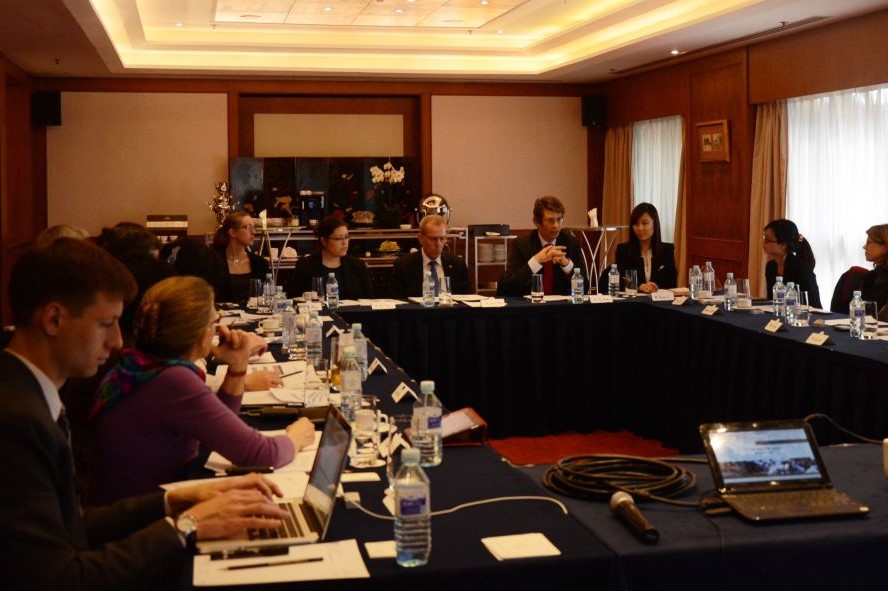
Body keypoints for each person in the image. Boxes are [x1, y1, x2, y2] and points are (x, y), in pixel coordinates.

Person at [0, 237, 290, 589]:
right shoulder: (17, 422)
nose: (118, 342)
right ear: (55, 319)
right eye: (106, 323)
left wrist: (176, 500)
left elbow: (72, 523)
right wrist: (188, 524)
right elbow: (59, 577)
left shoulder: (28, 394)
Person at [87, 275, 315, 506]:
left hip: (134, 502)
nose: (220, 329)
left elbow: (213, 430)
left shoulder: (140, 366)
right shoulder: (173, 381)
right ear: (200, 332)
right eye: (215, 321)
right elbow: (262, 454)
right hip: (142, 516)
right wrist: (295, 437)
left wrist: (238, 366)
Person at [498, 196, 587, 297]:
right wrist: (536, 261)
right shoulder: (521, 244)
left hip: (562, 309)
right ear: (537, 222)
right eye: (550, 220)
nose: (556, 225)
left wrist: (566, 265)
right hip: (530, 308)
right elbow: (507, 287)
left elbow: (586, 287)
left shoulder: (571, 243)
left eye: (559, 219)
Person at [286, 215, 374, 299]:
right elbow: (294, 298)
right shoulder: (306, 266)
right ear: (324, 241)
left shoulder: (358, 266)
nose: (344, 243)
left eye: (347, 237)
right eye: (339, 238)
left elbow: (369, 300)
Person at [597, 202, 677, 294]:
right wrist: (639, 286)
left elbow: (672, 283)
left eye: (645, 223)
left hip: (660, 302)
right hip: (633, 303)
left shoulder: (667, 250)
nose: (640, 228)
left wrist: (655, 287)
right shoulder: (623, 250)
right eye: (636, 224)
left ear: (655, 224)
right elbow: (620, 280)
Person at [388, 213, 471, 298]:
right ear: (421, 238)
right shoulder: (404, 266)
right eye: (433, 239)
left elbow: (468, 300)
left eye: (442, 238)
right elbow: (396, 302)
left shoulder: (457, 265)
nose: (438, 244)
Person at [762, 219, 822, 308]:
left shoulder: (800, 268)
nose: (764, 243)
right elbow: (772, 300)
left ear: (783, 245)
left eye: (768, 240)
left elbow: (813, 305)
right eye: (764, 238)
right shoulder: (771, 266)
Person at [213, 211, 269, 305]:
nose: (253, 232)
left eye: (253, 227)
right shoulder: (215, 262)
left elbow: (266, 298)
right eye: (248, 227)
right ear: (232, 232)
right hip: (224, 317)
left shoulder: (260, 263)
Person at [861, 224, 888, 320]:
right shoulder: (871, 276)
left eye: (869, 242)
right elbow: (864, 314)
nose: (864, 247)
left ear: (885, 247)